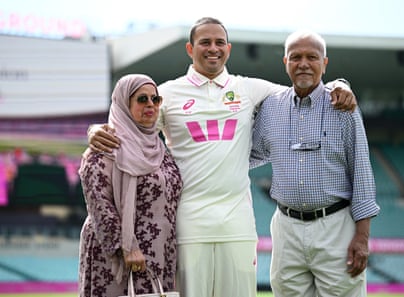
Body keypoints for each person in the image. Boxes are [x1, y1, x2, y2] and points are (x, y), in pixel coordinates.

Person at [87, 17, 357, 297]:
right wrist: (95, 130)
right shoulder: (166, 94)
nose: (212, 48)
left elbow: (303, 90)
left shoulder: (248, 89)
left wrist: (340, 83)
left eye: (219, 43)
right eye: (205, 42)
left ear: (228, 49)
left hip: (237, 224)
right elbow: (128, 130)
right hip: (187, 224)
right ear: (190, 49)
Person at [250, 30, 380, 297]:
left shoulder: (343, 106)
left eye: (312, 57)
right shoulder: (271, 107)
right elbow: (253, 153)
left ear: (325, 62)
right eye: (296, 57)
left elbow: (362, 173)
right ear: (285, 62)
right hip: (286, 228)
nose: (304, 63)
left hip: (335, 226)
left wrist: (362, 237)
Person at [78, 74, 183, 297]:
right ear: (124, 105)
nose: (151, 105)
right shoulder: (104, 150)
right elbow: (99, 206)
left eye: (156, 100)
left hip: (159, 253)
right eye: (142, 99)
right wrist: (127, 247)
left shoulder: (161, 152)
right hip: (119, 256)